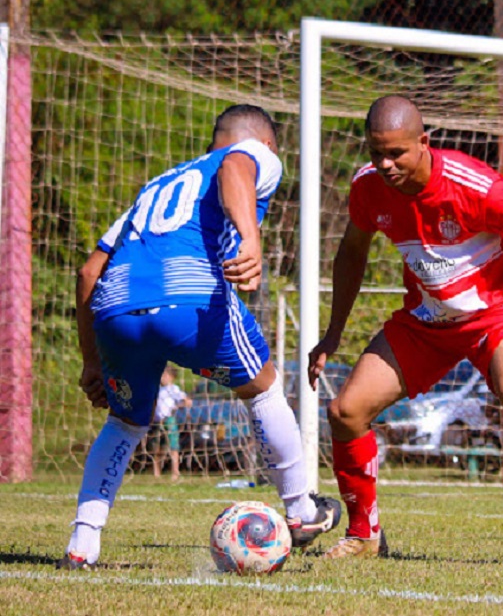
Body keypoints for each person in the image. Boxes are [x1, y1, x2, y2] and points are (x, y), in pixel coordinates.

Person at [308, 95, 503, 568]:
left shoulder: (477, 187)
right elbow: (351, 253)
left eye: (396, 152)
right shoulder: (369, 186)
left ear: (424, 142)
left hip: (496, 314)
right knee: (345, 411)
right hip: (427, 321)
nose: (385, 163)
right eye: (376, 152)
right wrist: (333, 333)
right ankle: (364, 535)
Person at [61, 104, 340, 570]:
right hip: (188, 296)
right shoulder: (253, 154)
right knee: (264, 387)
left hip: (116, 308)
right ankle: (301, 512)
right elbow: (235, 165)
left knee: (127, 423)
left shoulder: (155, 188)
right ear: (265, 145)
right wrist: (250, 239)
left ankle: (81, 546)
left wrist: (92, 363)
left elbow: (89, 272)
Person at [148, 366, 190, 481]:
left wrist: (176, 407)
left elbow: (187, 401)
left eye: (165, 375)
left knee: (173, 447)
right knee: (157, 448)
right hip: (157, 422)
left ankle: (175, 472)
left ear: (171, 377)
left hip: (169, 420)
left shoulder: (173, 389)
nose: (162, 378)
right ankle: (156, 472)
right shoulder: (157, 389)